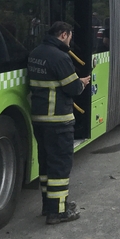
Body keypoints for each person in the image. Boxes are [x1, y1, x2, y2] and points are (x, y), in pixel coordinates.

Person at [28, 21, 90, 225]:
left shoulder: (36, 53)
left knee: (46, 165)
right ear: (63, 34)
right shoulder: (60, 57)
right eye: (70, 36)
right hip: (58, 120)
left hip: (39, 119)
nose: (70, 40)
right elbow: (72, 88)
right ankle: (58, 212)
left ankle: (49, 205)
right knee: (60, 167)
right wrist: (82, 83)